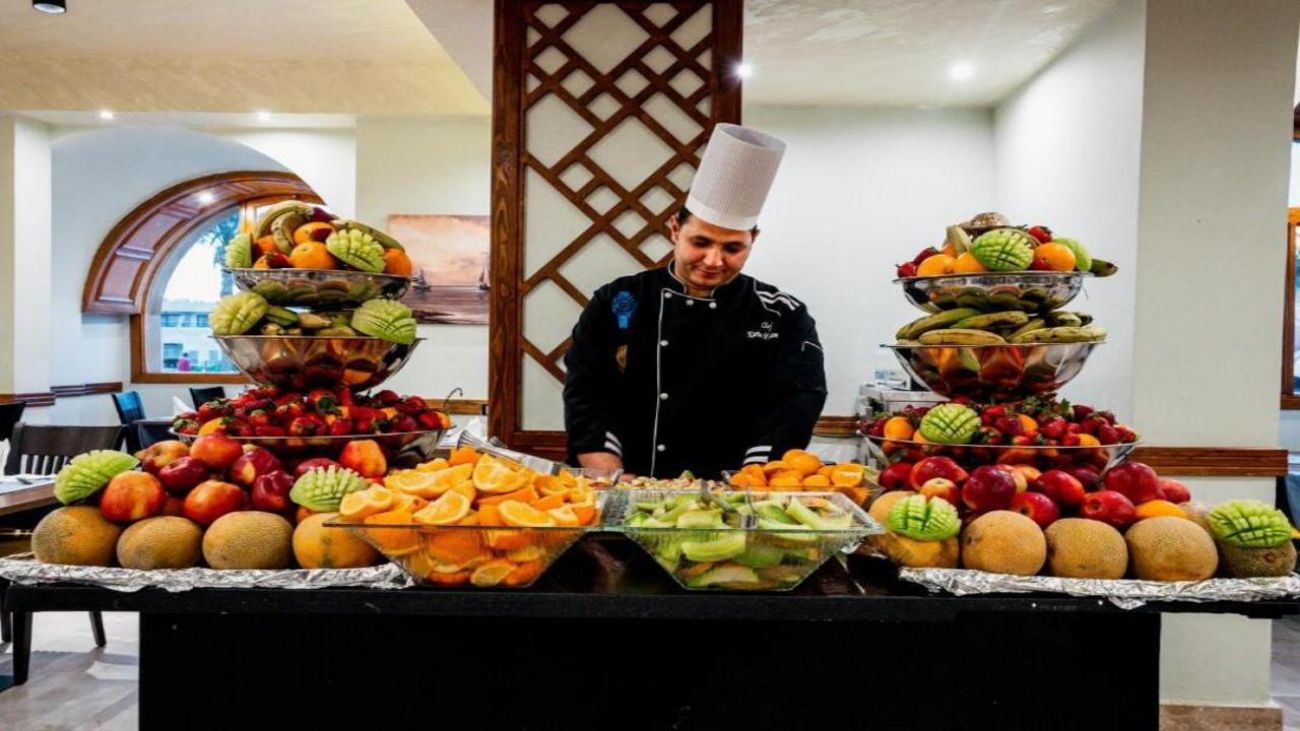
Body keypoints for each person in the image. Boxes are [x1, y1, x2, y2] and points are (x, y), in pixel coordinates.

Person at [563, 123, 827, 479]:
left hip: (734, 491)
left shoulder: (782, 314)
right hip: (627, 481)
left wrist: (752, 481)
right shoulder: (619, 299)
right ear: (675, 228)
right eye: (700, 242)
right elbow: (586, 388)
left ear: (754, 240)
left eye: (733, 248)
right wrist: (609, 476)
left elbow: (797, 401)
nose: (714, 260)